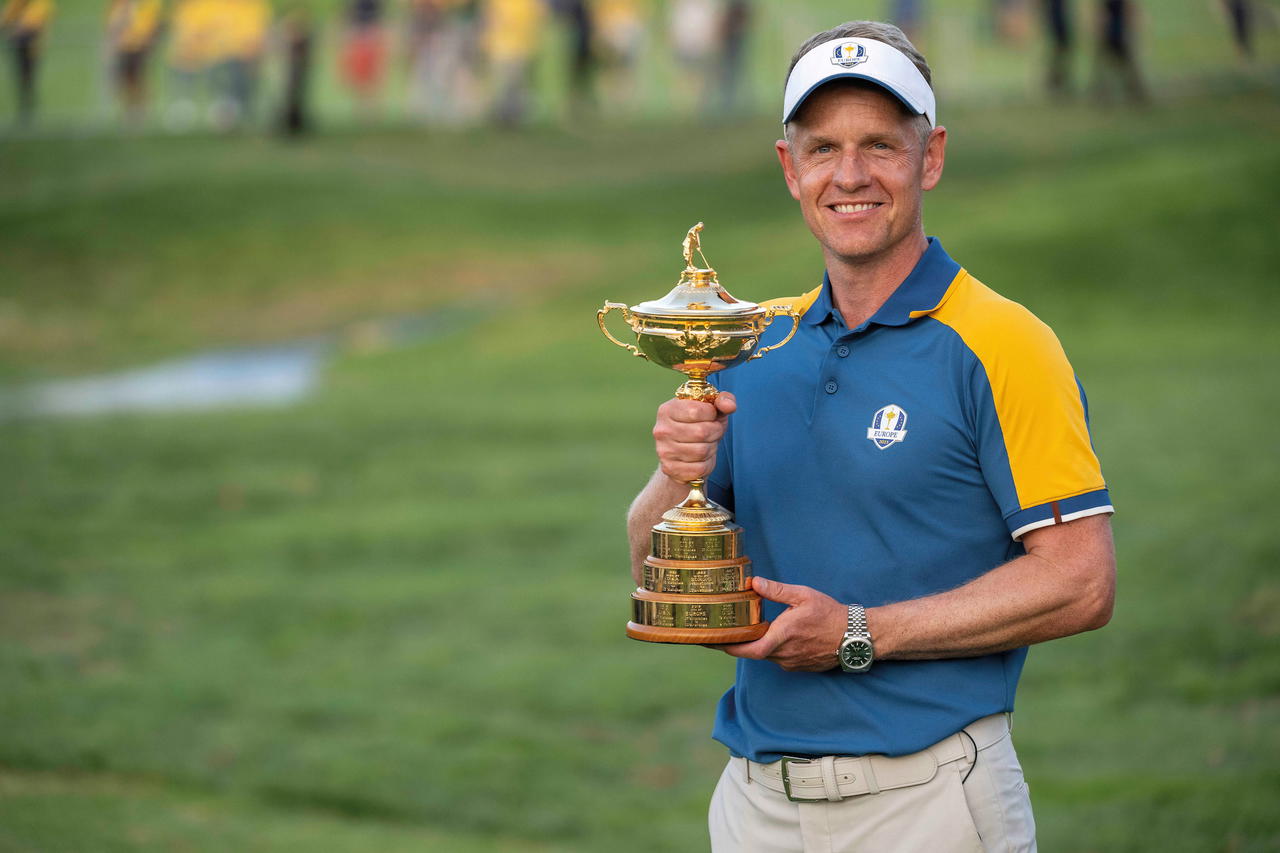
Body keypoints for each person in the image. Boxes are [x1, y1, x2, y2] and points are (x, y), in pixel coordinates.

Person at [625, 19, 1116, 852]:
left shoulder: (1006, 343)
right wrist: (676, 473)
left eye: (880, 145)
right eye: (823, 148)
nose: (849, 175)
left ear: (931, 157)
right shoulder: (750, 340)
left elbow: (1081, 581)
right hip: (755, 804)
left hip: (929, 799)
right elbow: (648, 570)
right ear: (790, 168)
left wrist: (858, 631)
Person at [1, 0, 54, 125]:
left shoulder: (41, 4)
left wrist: (13, 31)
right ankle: (25, 113)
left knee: (28, 81)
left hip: (31, 49)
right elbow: (5, 20)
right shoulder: (17, 3)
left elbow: (31, 28)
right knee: (22, 81)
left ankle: (28, 114)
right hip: (19, 48)